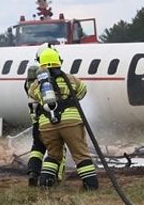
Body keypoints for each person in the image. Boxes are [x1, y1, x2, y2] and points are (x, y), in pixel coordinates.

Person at [27, 47, 97, 190]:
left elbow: (33, 102)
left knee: (53, 155)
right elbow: (82, 91)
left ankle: (45, 183)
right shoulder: (70, 79)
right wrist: (69, 100)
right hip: (71, 122)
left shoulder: (36, 85)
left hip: (47, 124)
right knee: (81, 154)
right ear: (59, 62)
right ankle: (90, 186)